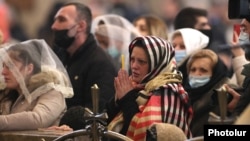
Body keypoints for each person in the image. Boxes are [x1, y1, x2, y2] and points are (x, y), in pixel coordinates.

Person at [106, 36, 193, 141]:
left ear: (157, 65)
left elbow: (148, 135)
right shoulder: (135, 85)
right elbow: (107, 120)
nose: (134, 66)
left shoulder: (168, 92)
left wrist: (126, 98)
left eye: (141, 62)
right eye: (132, 59)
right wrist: (118, 99)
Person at [51, 2, 117, 112]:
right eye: (55, 20)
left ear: (81, 26)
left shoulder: (100, 63)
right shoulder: (60, 55)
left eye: (61, 20)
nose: (54, 26)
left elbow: (96, 111)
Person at [0, 39, 73, 131]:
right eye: (3, 66)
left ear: (29, 68)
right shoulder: (8, 92)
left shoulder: (51, 91)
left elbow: (38, 118)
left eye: (10, 66)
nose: (3, 72)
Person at [184, 49, 240, 137]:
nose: (197, 73)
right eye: (193, 69)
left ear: (215, 73)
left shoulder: (227, 94)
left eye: (203, 70)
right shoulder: (184, 96)